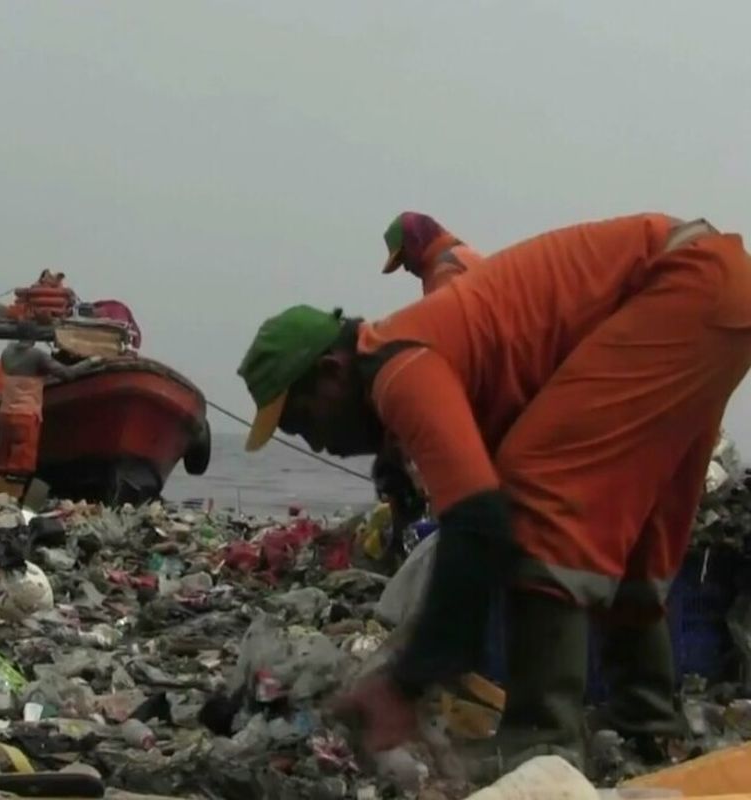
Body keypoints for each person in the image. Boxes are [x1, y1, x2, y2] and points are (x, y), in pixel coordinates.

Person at [238, 214, 751, 772]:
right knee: (635, 524)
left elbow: (478, 520)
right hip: (713, 292)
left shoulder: (399, 365)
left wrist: (408, 679)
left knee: (536, 490)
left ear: (333, 372)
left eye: (302, 421)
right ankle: (647, 724)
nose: (317, 442)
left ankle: (540, 735)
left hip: (681, 284)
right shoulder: (419, 353)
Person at [0, 323, 99, 497]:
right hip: (25, 415)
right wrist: (90, 362)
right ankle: (10, 503)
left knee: (3, 462)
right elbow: (67, 374)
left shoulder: (7, 354)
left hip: (5, 415)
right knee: (21, 466)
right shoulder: (37, 356)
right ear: (34, 338)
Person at [381, 211, 485, 295]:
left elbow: (449, 318)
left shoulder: (446, 268)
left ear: (415, 241)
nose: (406, 268)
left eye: (404, 257)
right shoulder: (462, 253)